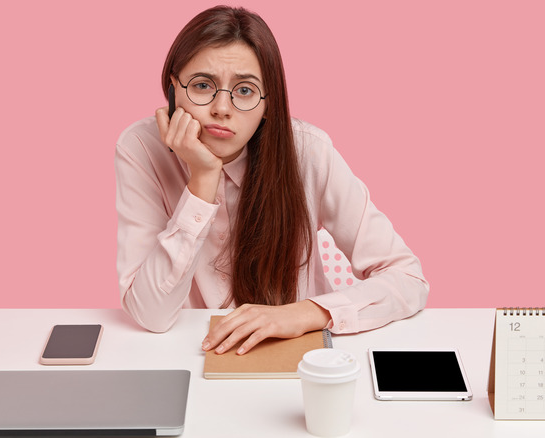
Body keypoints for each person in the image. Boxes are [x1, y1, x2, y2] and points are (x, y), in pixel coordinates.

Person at [115, 5, 428, 355]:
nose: (222, 108)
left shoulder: (309, 151)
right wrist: (202, 180)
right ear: (173, 90)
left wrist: (308, 312)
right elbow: (150, 314)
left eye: (245, 91)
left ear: (268, 103)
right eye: (203, 85)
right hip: (189, 353)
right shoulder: (141, 149)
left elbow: (407, 278)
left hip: (300, 355)